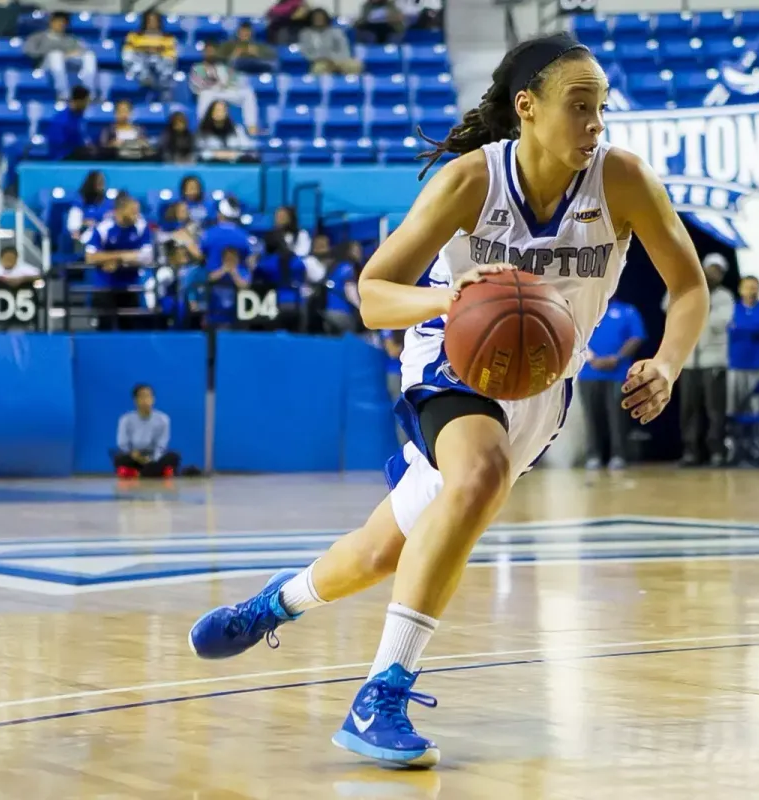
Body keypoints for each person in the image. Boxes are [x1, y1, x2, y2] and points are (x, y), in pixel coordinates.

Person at [188, 33, 708, 768]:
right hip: (450, 359)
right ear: (527, 108)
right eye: (580, 108)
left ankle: (277, 604)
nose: (596, 126)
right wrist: (445, 295)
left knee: (377, 553)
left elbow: (689, 287)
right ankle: (383, 694)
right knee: (478, 475)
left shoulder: (622, 180)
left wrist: (669, 360)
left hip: (540, 394)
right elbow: (371, 294)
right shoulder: (472, 181)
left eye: (602, 111)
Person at [677, 253, 734, 466]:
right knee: (689, 410)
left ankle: (716, 452)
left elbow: (720, 322)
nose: (711, 273)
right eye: (709, 268)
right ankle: (691, 452)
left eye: (716, 270)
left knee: (714, 410)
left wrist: (700, 306)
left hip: (714, 361)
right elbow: (668, 306)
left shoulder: (725, 297)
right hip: (689, 361)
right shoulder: (688, 290)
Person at [579, 297, 646, 470]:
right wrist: (592, 359)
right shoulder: (584, 310)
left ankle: (619, 455)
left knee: (617, 416)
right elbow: (575, 336)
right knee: (591, 416)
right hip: (588, 372)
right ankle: (594, 455)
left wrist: (617, 358)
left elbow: (636, 337)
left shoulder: (628, 310)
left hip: (617, 373)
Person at [84, 194, 154, 330]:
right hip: (105, 286)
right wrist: (124, 256)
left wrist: (114, 259)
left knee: (130, 329)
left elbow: (147, 256)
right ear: (120, 211)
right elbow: (90, 257)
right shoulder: (104, 228)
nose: (137, 215)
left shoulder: (141, 226)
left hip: (130, 287)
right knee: (105, 329)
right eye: (133, 211)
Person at [726, 275, 759, 414]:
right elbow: (727, 328)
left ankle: (757, 435)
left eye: (754, 288)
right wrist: (750, 326)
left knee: (756, 407)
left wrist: (739, 326)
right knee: (734, 406)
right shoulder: (732, 308)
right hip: (735, 364)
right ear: (740, 290)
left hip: (757, 365)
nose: (751, 291)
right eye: (747, 288)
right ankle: (735, 435)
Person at [23, 11, 98, 99]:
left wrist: (70, 54)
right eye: (58, 21)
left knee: (89, 55)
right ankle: (63, 93)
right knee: (55, 55)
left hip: (67, 63)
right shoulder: (38, 37)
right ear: (51, 22)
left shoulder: (71, 39)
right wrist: (51, 52)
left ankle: (88, 93)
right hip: (45, 65)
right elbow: (29, 51)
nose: (60, 24)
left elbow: (82, 50)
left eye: (63, 22)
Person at [190, 42, 260, 134]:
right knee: (204, 95)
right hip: (211, 93)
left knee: (248, 92)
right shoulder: (198, 68)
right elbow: (196, 87)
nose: (210, 53)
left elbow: (235, 81)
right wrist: (213, 84)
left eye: (212, 51)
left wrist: (229, 82)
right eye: (208, 51)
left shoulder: (224, 67)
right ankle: (204, 128)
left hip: (226, 92)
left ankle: (251, 126)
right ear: (204, 53)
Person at [114, 384, 181, 478]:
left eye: (148, 396)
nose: (145, 400)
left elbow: (162, 444)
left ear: (153, 399)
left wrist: (153, 459)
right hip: (134, 455)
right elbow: (122, 443)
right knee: (119, 458)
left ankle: (137, 473)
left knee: (174, 456)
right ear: (135, 400)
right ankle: (156, 473)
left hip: (154, 456)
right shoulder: (125, 419)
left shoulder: (163, 419)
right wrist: (133, 454)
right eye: (141, 396)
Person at [122, 11, 177, 100]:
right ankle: (144, 80)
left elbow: (171, 57)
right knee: (134, 60)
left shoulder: (168, 38)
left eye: (154, 20)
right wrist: (146, 52)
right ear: (145, 21)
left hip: (160, 69)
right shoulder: (134, 36)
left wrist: (154, 53)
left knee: (161, 62)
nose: (152, 23)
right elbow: (127, 55)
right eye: (149, 20)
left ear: (159, 22)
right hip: (139, 68)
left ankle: (164, 97)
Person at [299, 8, 362, 76]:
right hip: (319, 61)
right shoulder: (305, 34)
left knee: (355, 65)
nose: (318, 19)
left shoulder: (337, 32)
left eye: (321, 17)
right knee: (318, 69)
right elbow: (307, 53)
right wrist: (324, 58)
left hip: (339, 60)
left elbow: (344, 50)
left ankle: (350, 85)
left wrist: (334, 61)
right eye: (316, 18)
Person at [45, 86, 93, 161]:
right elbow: (58, 147)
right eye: (86, 101)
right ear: (79, 101)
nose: (88, 105)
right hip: (63, 160)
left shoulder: (79, 118)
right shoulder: (61, 121)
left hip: (78, 157)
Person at [65, 171, 112, 245]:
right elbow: (73, 226)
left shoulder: (109, 203)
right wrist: (83, 223)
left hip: (104, 239)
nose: (101, 185)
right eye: (98, 182)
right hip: (84, 239)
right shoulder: (79, 201)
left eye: (102, 182)